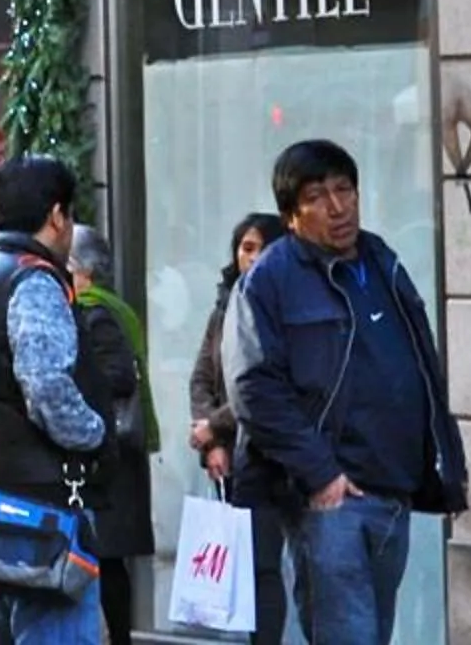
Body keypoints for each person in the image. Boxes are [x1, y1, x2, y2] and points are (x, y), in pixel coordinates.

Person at [229, 138, 467, 645]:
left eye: (345, 190)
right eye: (317, 196)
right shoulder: (270, 280)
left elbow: (421, 367)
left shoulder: (383, 261)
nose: (337, 207)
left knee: (374, 633)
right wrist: (321, 476)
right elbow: (253, 389)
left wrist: (443, 465)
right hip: (327, 497)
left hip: (394, 487)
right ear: (291, 214)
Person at [0, 154, 105, 645]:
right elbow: (46, 386)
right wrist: (96, 435)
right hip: (44, 501)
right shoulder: (34, 280)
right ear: (57, 215)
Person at [187, 211, 290, 645]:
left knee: (265, 565)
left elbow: (264, 384)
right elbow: (201, 377)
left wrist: (215, 425)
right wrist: (211, 442)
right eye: (246, 248)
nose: (254, 257)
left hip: (272, 453)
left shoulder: (283, 307)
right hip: (234, 457)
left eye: (263, 248)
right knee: (246, 564)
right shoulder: (224, 306)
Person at [68, 224, 155, 645]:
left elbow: (117, 376)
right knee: (108, 557)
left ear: (78, 269)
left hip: (109, 451)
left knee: (104, 556)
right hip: (120, 450)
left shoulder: (93, 311)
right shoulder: (115, 307)